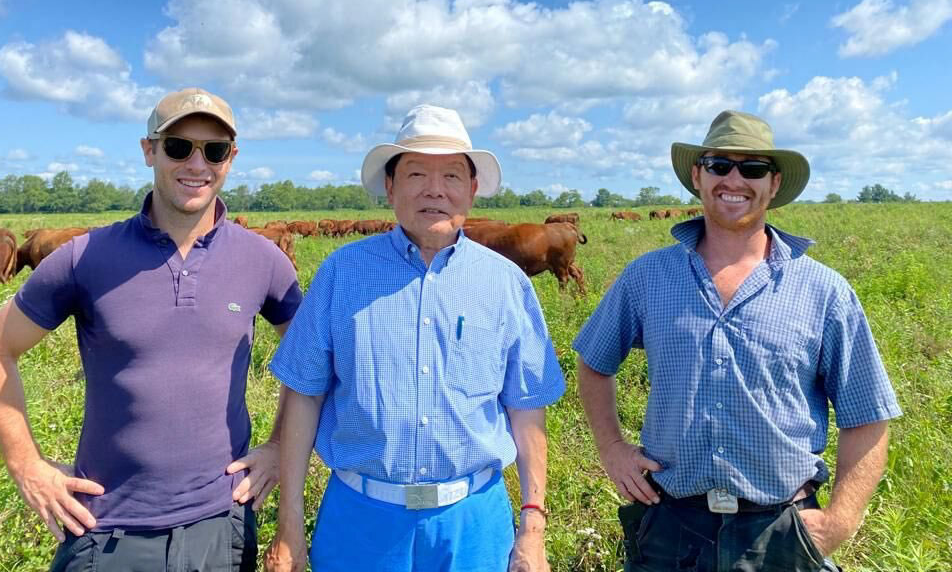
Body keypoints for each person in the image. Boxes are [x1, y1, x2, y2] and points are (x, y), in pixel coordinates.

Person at [0, 87, 302, 572]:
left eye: (213, 150)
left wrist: (277, 447)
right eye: (177, 146)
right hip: (105, 527)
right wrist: (26, 464)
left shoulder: (263, 261)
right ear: (149, 150)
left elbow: (309, 358)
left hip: (220, 523)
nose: (196, 163)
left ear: (230, 158)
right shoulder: (86, 257)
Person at [574, 110, 901, 572]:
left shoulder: (823, 290)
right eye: (718, 164)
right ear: (697, 175)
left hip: (781, 529)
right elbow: (594, 361)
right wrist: (612, 449)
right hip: (670, 526)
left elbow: (867, 416)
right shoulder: (647, 276)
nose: (734, 179)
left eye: (752, 168)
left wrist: (840, 521)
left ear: (773, 183)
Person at [264, 104, 565, 572]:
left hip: (474, 518)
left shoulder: (507, 283)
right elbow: (304, 397)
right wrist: (289, 527)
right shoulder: (340, 274)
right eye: (416, 173)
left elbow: (527, 410)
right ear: (390, 187)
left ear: (472, 188)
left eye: (450, 175)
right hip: (359, 519)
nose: (434, 190)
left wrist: (533, 527)